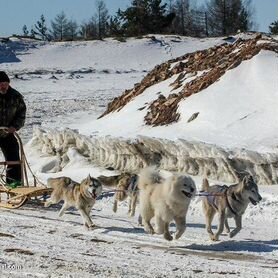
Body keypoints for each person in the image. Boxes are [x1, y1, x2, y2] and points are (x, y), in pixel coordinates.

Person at [0, 71, 26, 186]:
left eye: (5, 83)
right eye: (0, 84)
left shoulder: (16, 96)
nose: (3, 86)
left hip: (7, 133)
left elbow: (21, 114)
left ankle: (14, 187)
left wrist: (14, 127)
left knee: (14, 161)